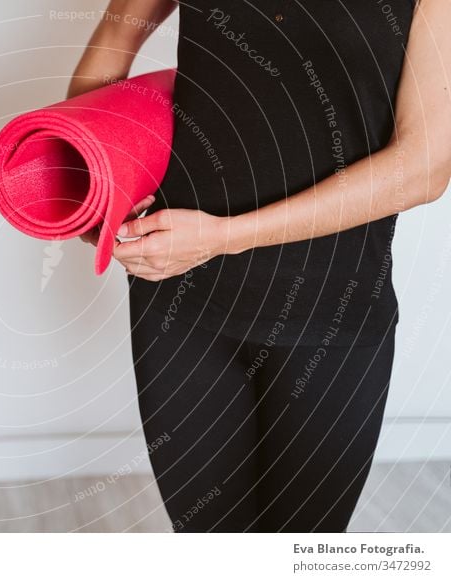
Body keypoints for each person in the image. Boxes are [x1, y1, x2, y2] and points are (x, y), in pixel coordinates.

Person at [70, 0, 450, 532]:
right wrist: (98, 191)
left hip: (331, 313)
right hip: (180, 303)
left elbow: (423, 168)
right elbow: (112, 45)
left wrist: (223, 238)